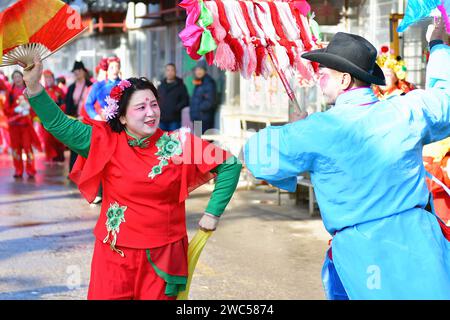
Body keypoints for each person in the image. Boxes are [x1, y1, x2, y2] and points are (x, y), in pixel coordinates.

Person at [244, 20, 450, 299]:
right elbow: (445, 99)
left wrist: (289, 129)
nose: (319, 78)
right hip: (422, 247)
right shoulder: (408, 109)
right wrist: (437, 45)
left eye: (324, 73)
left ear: (344, 79)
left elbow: (256, 156)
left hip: (365, 257)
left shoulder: (317, 129)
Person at [22, 55, 242, 300]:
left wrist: (212, 213)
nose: (151, 113)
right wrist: (34, 87)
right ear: (123, 117)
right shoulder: (103, 140)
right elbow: (58, 124)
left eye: (154, 104)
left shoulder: (178, 143)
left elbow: (229, 165)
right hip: (114, 256)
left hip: (163, 257)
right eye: (141, 107)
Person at [4, 70, 41, 178]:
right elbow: (6, 110)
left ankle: (30, 169)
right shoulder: (10, 93)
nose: (17, 79)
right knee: (16, 149)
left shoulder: (29, 91)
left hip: (26, 125)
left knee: (27, 147)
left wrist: (30, 111)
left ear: (23, 78)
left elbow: (35, 108)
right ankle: (18, 170)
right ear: (13, 79)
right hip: (14, 126)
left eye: (19, 76)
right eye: (15, 77)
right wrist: (15, 110)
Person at [65, 61, 93, 172]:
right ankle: (74, 170)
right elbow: (68, 104)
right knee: (74, 145)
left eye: (79, 71)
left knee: (89, 144)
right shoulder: (71, 87)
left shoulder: (91, 86)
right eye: (75, 71)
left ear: (83, 71)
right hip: (75, 119)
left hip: (88, 119)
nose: (77, 73)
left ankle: (88, 170)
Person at [85, 56, 122, 120]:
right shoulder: (98, 85)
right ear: (106, 69)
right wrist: (96, 117)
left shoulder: (124, 84)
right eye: (112, 68)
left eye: (117, 67)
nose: (115, 70)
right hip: (104, 120)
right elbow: (88, 104)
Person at [42, 69, 66, 162]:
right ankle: (50, 157)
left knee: (58, 139)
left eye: (49, 78)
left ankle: (60, 157)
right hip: (47, 120)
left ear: (53, 78)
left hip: (58, 119)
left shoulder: (59, 90)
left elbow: (64, 103)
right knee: (48, 140)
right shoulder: (43, 91)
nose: (48, 80)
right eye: (46, 78)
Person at [157, 63, 189, 131]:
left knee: (174, 140)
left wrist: (176, 108)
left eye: (172, 70)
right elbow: (157, 99)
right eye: (168, 70)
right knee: (162, 140)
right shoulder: (160, 86)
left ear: (175, 72)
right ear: (165, 72)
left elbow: (185, 100)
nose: (170, 72)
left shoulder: (181, 86)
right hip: (162, 120)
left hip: (175, 120)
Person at [189, 60, 217, 134]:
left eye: (201, 69)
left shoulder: (209, 82)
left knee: (203, 142)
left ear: (205, 71)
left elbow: (210, 102)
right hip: (197, 119)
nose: (198, 71)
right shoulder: (199, 82)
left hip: (204, 119)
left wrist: (199, 110)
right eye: (197, 69)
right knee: (198, 142)